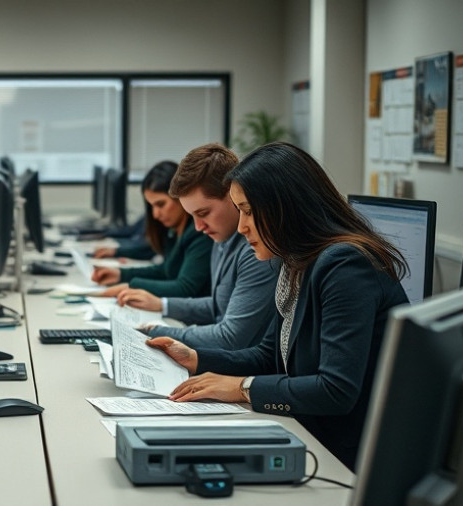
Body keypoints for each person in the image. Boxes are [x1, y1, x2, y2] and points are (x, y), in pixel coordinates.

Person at [146, 142, 409, 470]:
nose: (242, 227)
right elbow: (268, 355)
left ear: (284, 207)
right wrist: (195, 358)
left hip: (345, 457)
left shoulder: (345, 264)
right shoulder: (298, 263)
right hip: (312, 436)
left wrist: (241, 388)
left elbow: (335, 389)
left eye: (249, 211)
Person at [117, 143, 278, 350]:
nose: (198, 227)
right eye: (192, 216)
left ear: (234, 196)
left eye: (203, 214)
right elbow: (218, 305)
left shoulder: (257, 251)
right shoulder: (222, 239)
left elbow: (230, 337)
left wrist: (153, 330)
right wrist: (163, 305)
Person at [91, 161, 212, 297]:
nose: (155, 214)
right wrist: (121, 274)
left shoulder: (201, 232)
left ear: (181, 197)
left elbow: (185, 288)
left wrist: (131, 286)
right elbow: (167, 271)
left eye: (161, 204)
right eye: (152, 206)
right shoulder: (173, 230)